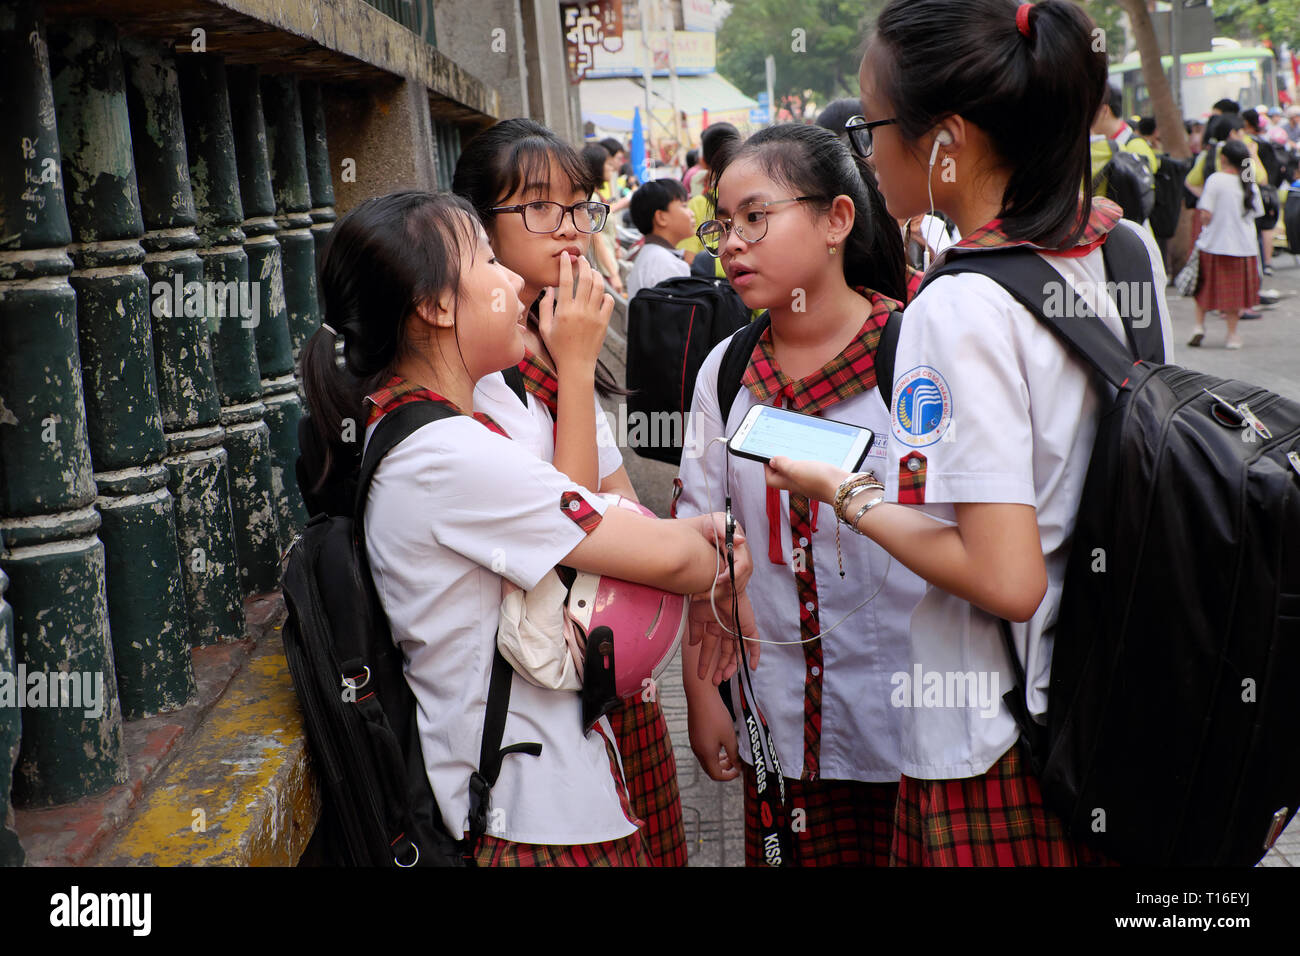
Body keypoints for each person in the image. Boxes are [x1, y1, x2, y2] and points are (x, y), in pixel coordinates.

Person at [766, 0, 1174, 866]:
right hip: (1120, 711)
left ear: (945, 139)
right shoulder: (1124, 249)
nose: (868, 152)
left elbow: (1006, 576)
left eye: (874, 123)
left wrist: (845, 492)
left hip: (998, 739)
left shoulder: (956, 306)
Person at [299, 190, 748, 866]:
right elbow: (671, 560)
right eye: (485, 259)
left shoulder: (424, 433)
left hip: (538, 797)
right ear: (436, 304)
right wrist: (719, 542)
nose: (512, 279)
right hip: (533, 817)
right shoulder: (446, 457)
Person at [676, 123, 926, 867]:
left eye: (756, 216)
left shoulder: (912, 358)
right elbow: (701, 535)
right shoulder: (729, 370)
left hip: (912, 728)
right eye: (721, 223)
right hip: (778, 725)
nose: (732, 242)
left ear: (836, 220)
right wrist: (701, 695)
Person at [452, 119, 691, 866]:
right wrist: (581, 363)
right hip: (525, 705)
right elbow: (575, 527)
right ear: (477, 227)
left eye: (580, 206)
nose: (569, 228)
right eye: (538, 206)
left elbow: (621, 508)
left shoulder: (553, 340)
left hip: (602, 666)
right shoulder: (472, 375)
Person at [1188, 140, 1264, 350]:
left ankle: (1198, 327)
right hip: (1242, 246)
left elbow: (1205, 214)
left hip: (1214, 243)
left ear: (1223, 159)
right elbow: (1257, 212)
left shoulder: (1216, 180)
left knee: (1203, 288)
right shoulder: (1248, 182)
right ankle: (1232, 335)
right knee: (1235, 295)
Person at [677, 123, 741, 271]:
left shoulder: (696, 205)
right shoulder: (754, 197)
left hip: (715, 285)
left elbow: (689, 258)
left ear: (703, 161)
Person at [626, 178, 694, 297]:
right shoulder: (667, 264)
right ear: (661, 218)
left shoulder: (652, 255)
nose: (691, 213)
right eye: (684, 206)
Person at [581, 142, 626, 296]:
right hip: (604, 270)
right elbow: (597, 239)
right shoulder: (592, 198)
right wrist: (613, 275)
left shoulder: (596, 195)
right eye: (607, 163)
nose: (612, 168)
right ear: (596, 166)